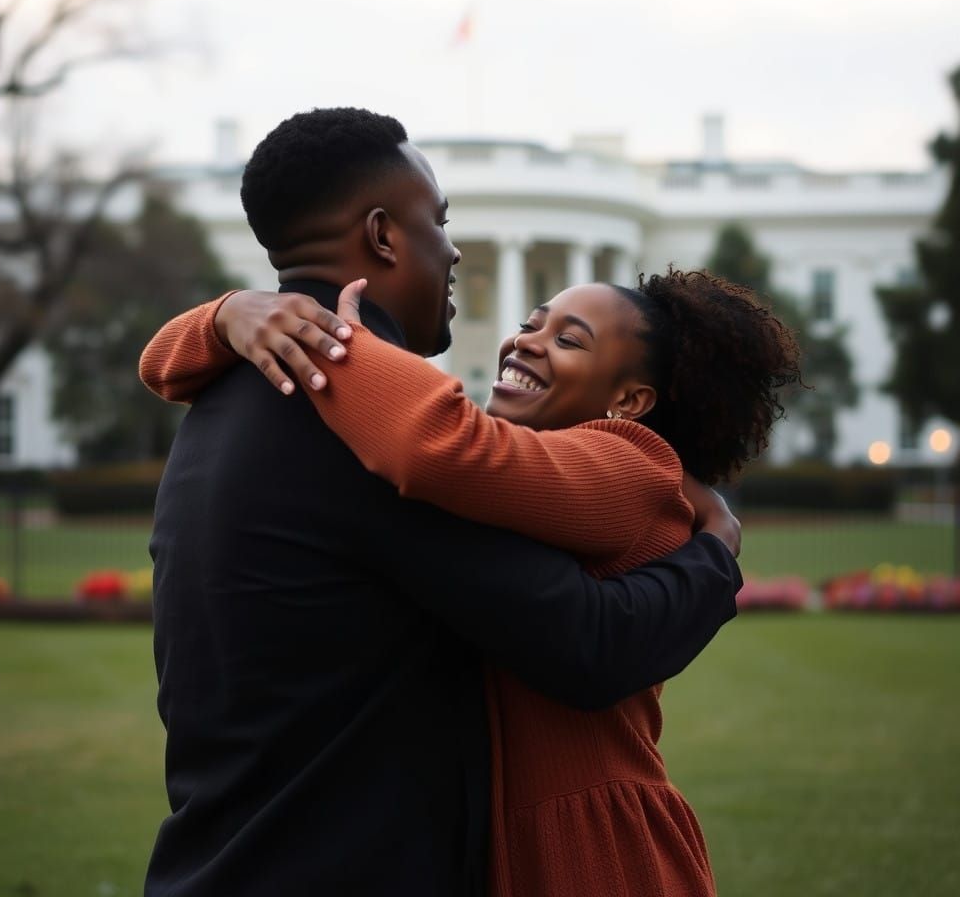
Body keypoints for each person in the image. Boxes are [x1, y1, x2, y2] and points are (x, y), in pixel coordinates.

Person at [140, 107, 743, 897]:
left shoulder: (222, 399)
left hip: (218, 859)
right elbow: (590, 643)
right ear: (386, 235)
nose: (455, 249)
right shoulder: (361, 426)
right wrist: (714, 554)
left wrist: (223, 314)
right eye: (442, 221)